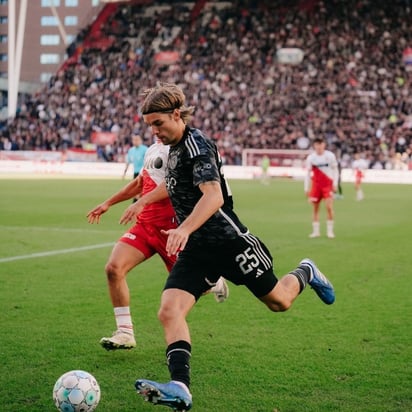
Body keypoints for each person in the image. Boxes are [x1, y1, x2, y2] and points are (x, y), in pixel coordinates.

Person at [126, 83, 335, 412]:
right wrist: (143, 202)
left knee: (279, 302)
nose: (153, 131)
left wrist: (183, 227)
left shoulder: (197, 146)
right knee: (169, 310)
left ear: (176, 115)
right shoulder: (174, 150)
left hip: (230, 243)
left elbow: (214, 196)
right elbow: (172, 185)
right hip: (197, 249)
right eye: (149, 125)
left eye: (158, 123)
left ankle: (306, 270)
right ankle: (180, 387)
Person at [87, 140, 229, 351]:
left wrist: (142, 201)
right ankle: (125, 332)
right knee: (113, 268)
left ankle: (214, 282)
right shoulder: (152, 149)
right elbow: (140, 182)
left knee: (196, 286)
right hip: (145, 226)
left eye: (157, 122)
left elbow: (174, 183)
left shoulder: (181, 150)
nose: (153, 129)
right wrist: (108, 202)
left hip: (171, 230)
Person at [304, 137, 339, 239]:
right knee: (315, 209)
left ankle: (330, 231)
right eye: (317, 144)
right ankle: (316, 231)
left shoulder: (330, 156)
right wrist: (306, 188)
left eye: (321, 144)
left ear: (324, 145)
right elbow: (307, 174)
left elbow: (335, 170)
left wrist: (335, 183)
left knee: (329, 207)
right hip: (316, 186)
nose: (319, 146)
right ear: (314, 145)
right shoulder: (311, 158)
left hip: (327, 185)